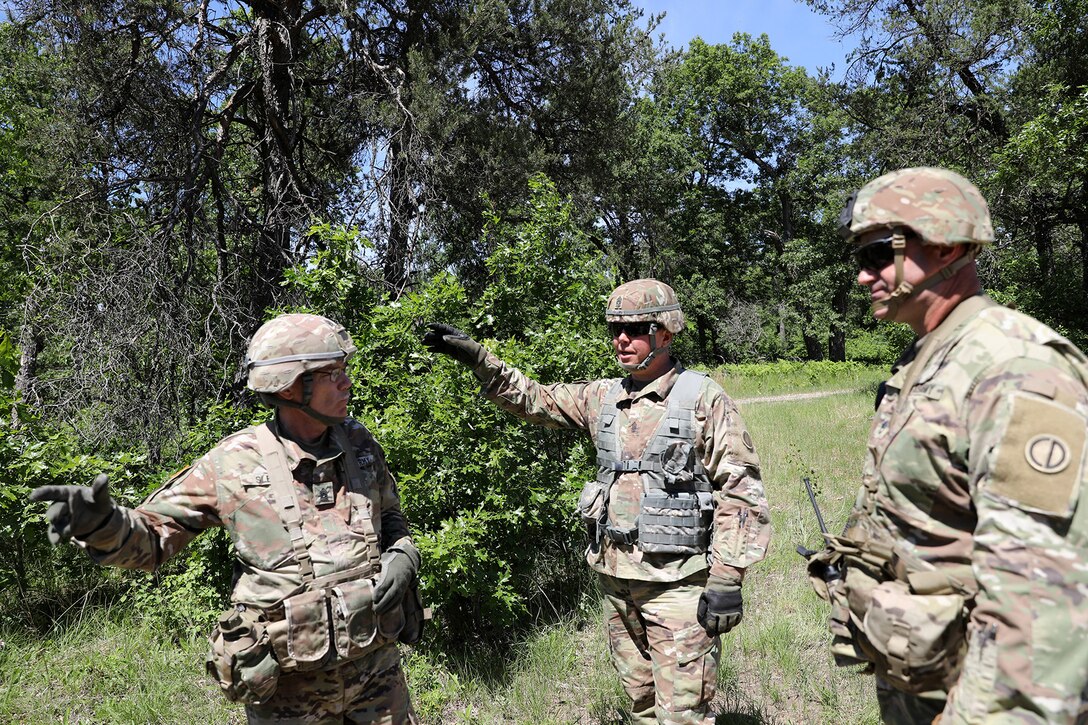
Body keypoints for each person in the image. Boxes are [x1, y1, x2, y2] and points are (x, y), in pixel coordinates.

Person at [31, 313, 422, 724]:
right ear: (292, 385)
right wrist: (103, 524)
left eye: (345, 371)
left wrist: (403, 552)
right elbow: (152, 539)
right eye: (333, 373)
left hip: (378, 675)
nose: (347, 383)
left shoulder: (358, 442)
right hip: (289, 694)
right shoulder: (235, 463)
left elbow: (390, 514)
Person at [809, 167, 1088, 723]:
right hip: (927, 683)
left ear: (947, 247)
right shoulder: (931, 356)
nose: (863, 278)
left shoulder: (1015, 369)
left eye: (875, 257)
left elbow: (1041, 606)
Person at [422, 279, 770, 725]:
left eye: (636, 328)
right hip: (616, 579)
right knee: (641, 702)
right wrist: (480, 360)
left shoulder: (702, 399)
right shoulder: (603, 396)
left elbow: (739, 487)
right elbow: (536, 399)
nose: (621, 340)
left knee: (683, 713)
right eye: (614, 329)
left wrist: (726, 577)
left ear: (665, 332)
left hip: (678, 584)